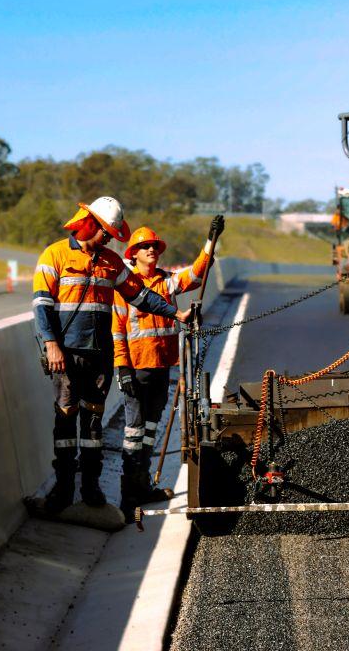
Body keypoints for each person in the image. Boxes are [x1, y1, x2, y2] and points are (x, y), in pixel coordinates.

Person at [32, 196, 192, 513]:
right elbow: (41, 305)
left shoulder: (111, 262)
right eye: (106, 233)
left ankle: (90, 490)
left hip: (99, 357)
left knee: (93, 425)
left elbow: (140, 296)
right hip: (66, 354)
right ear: (90, 224)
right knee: (65, 421)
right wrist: (51, 344)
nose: (109, 240)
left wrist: (175, 313)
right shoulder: (55, 255)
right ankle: (63, 491)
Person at [112, 215, 223, 516]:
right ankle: (128, 496)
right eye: (145, 246)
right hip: (136, 370)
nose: (151, 250)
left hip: (161, 367)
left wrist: (210, 241)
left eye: (154, 246)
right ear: (133, 253)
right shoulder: (126, 286)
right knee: (134, 433)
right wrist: (122, 368)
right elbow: (117, 330)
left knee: (149, 431)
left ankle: (142, 486)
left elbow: (196, 275)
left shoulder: (165, 282)